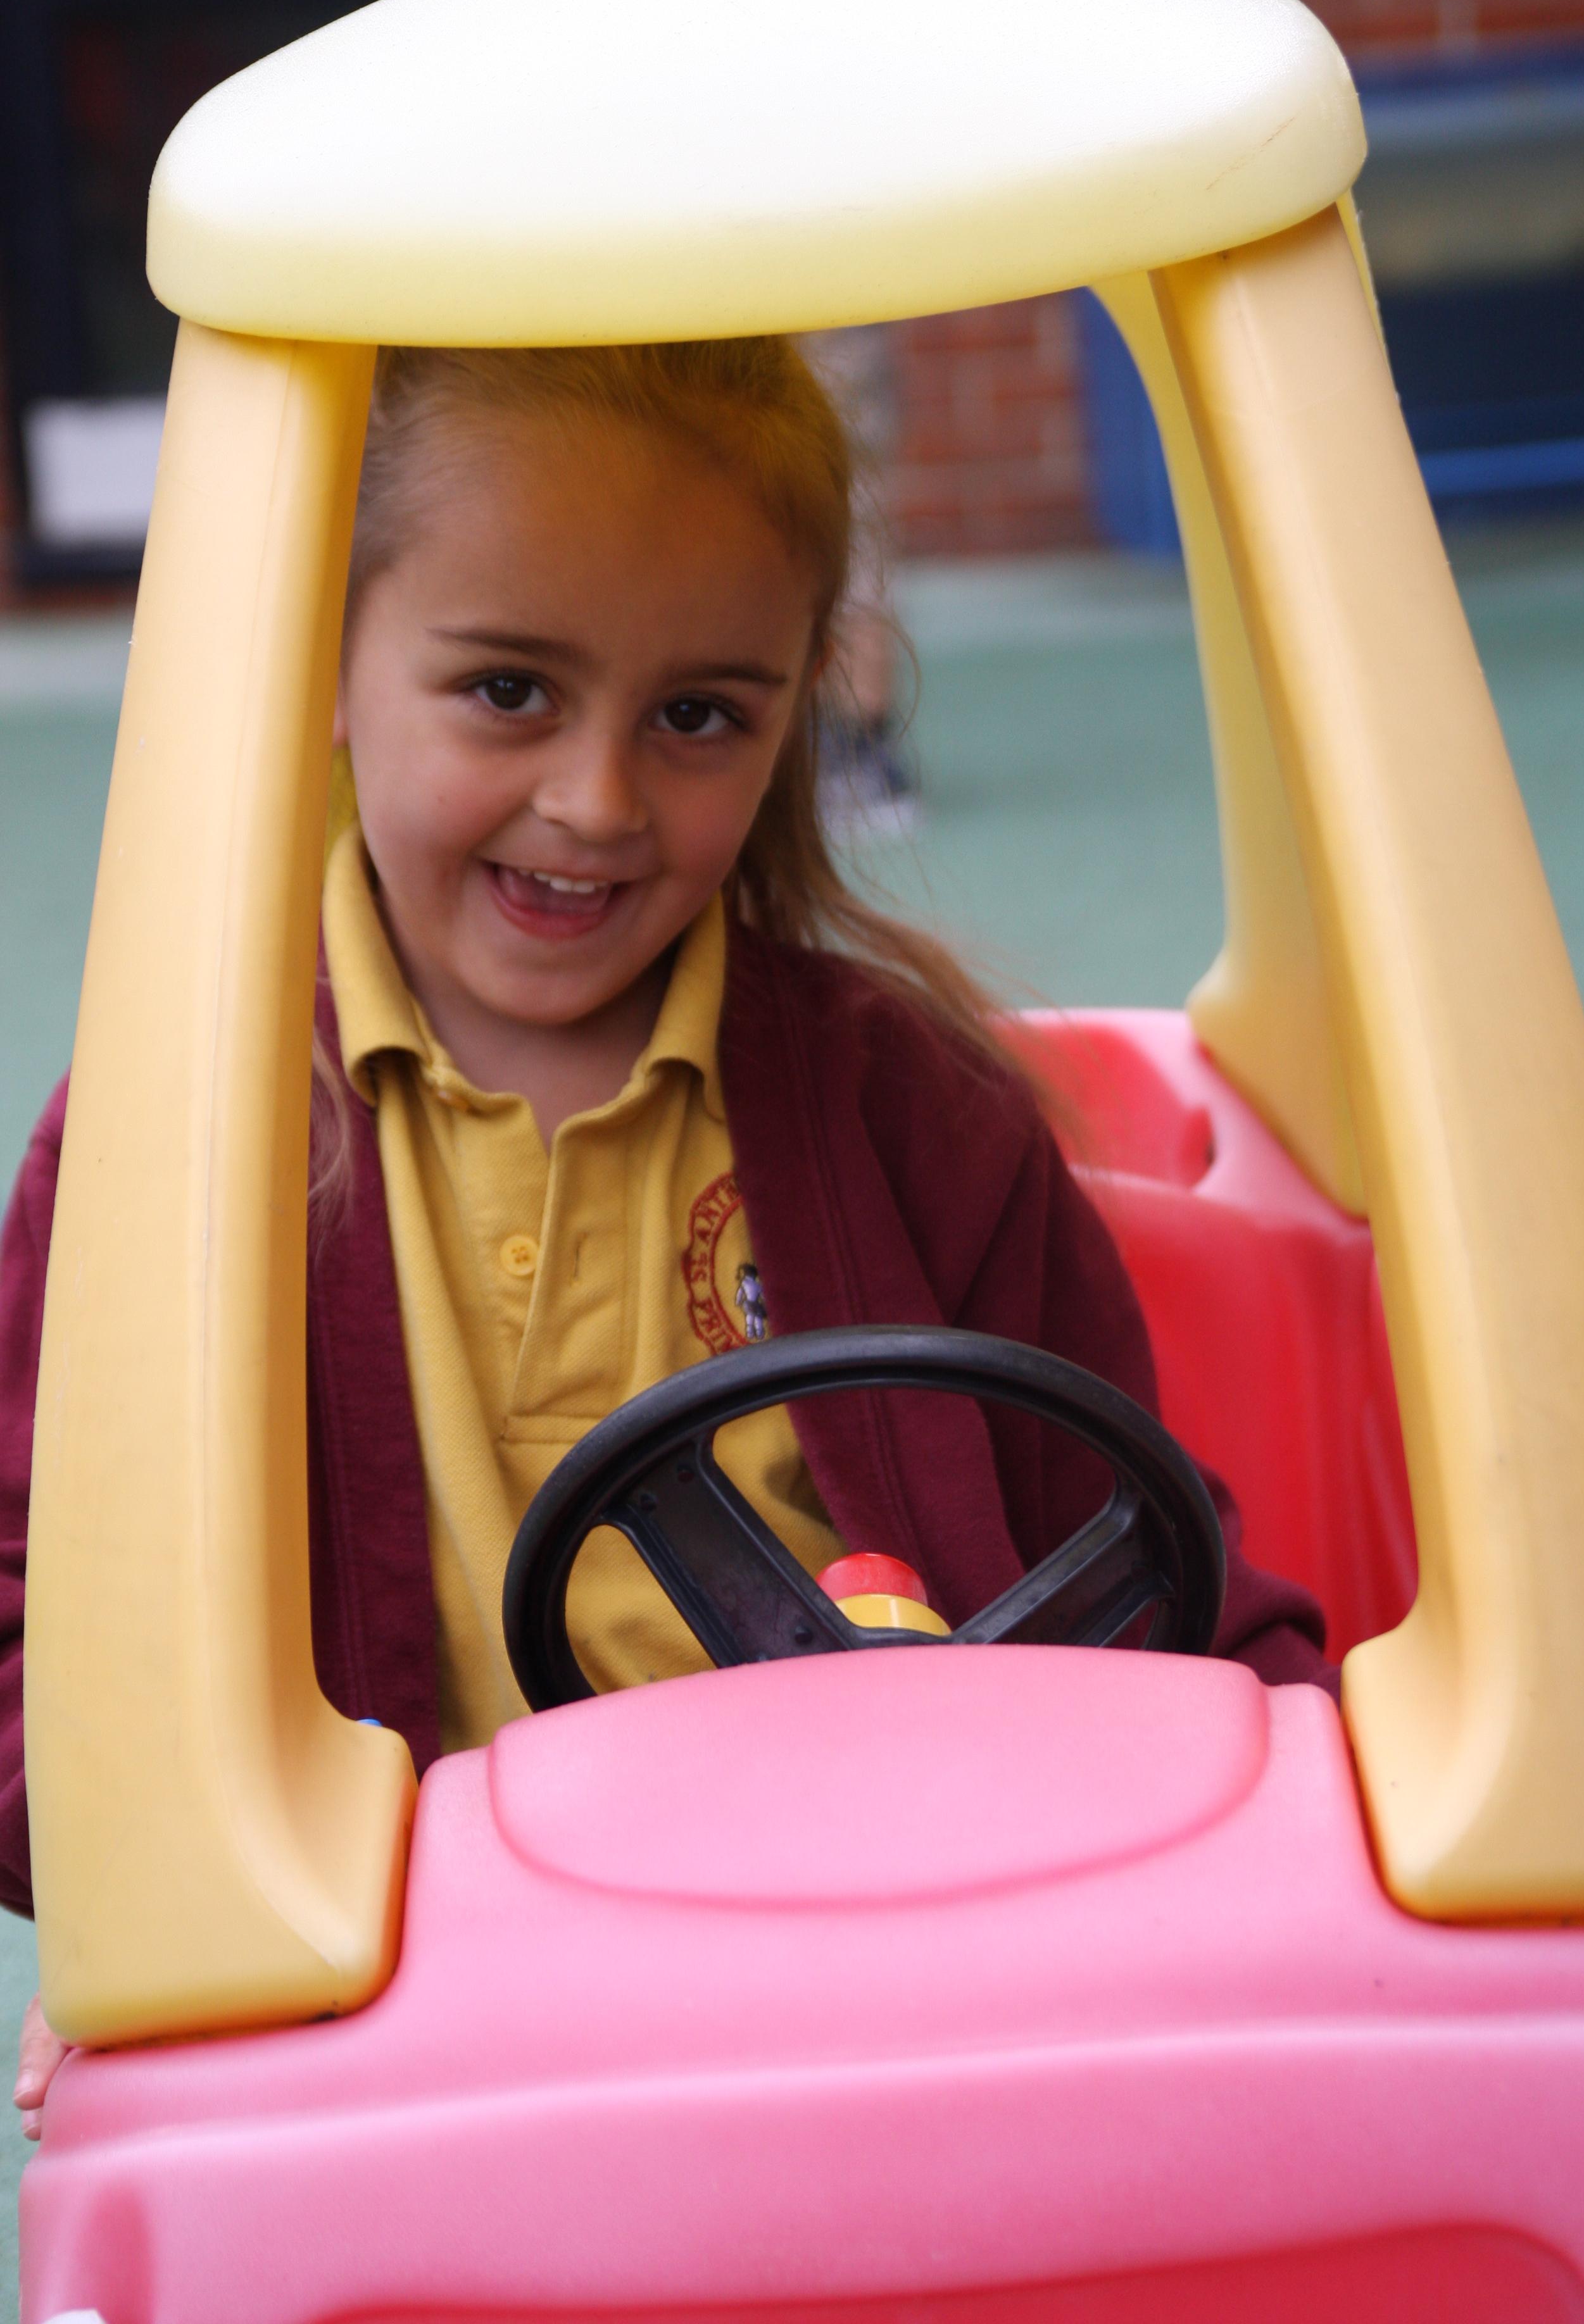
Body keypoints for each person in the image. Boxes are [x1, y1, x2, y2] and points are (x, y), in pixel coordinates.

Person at [0, 336, 1331, 2134]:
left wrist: (1304, 1850)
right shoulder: (174, 1142)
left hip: (895, 1991)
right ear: (322, 655)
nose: (598, 801)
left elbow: (1153, 1582)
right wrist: (161, 1900)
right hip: (418, 2044)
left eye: (699, 716)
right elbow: (38, 1641)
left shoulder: (913, 1117)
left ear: (794, 718)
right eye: (508, 692)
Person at [687, 0, 917, 835]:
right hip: (761, 300)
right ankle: (803, 741)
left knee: (843, 521)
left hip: (825, 309)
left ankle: (862, 745)